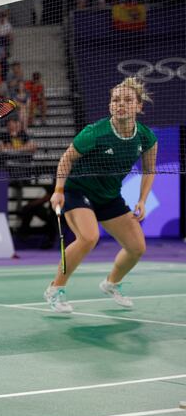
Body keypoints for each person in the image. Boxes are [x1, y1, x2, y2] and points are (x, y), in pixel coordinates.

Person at [44, 77, 157, 313]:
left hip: (108, 195)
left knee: (137, 247)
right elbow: (66, 158)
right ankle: (55, 289)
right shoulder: (95, 132)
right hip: (78, 191)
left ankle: (111, 283)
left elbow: (149, 170)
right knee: (88, 237)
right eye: (116, 100)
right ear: (110, 106)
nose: (120, 104)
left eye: (127, 100)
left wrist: (143, 200)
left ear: (139, 106)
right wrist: (58, 190)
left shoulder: (146, 137)